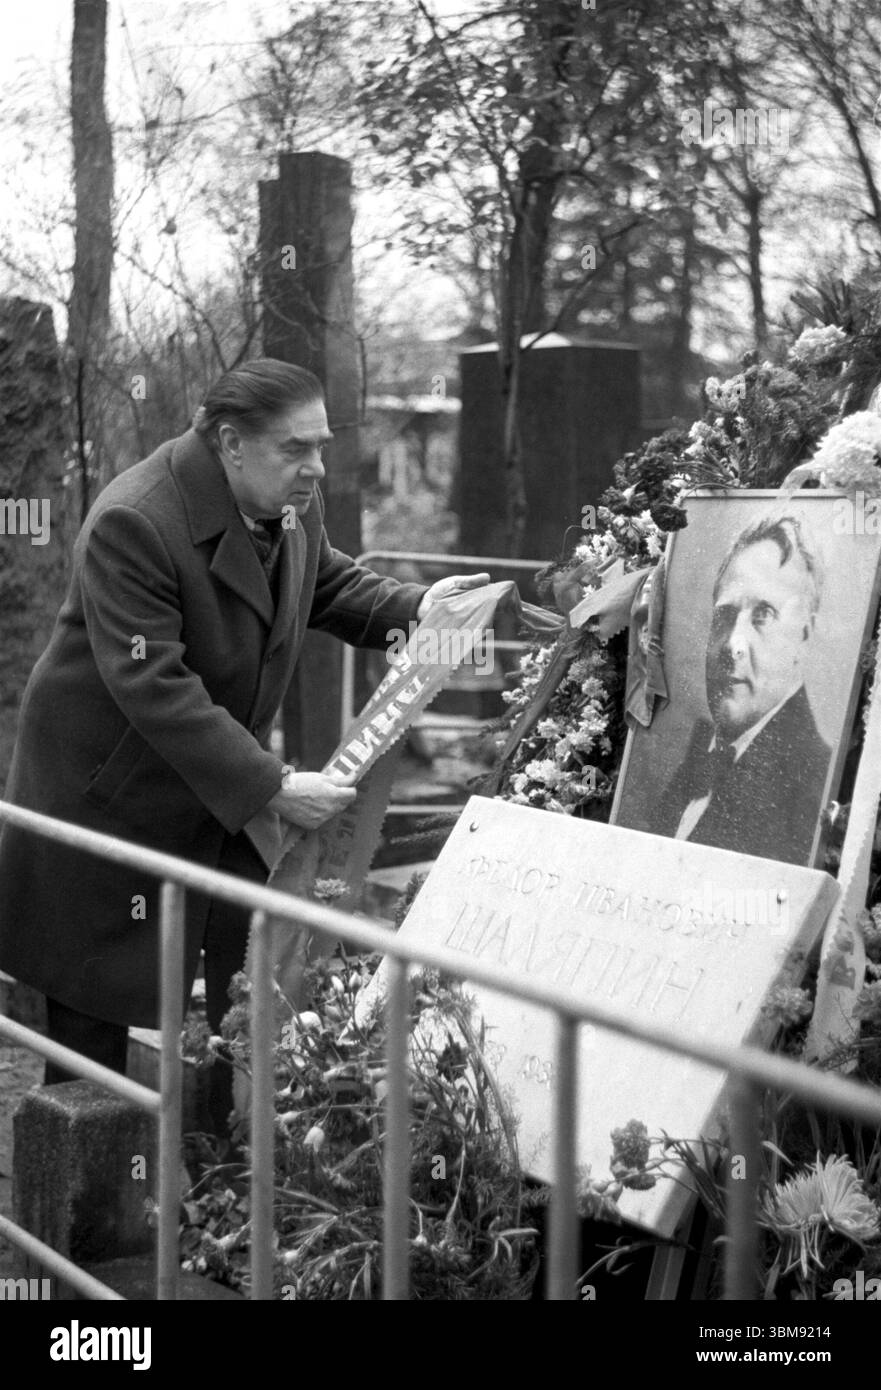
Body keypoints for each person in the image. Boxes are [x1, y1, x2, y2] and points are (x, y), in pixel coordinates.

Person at [0, 358, 487, 1091]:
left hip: (212, 783)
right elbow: (154, 682)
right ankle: (87, 1190)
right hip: (109, 791)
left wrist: (417, 607)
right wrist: (275, 784)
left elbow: (321, 580)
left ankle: (233, 1164)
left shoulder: (282, 501)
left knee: (253, 962)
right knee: (92, 1011)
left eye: (321, 445)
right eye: (296, 449)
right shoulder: (136, 520)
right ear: (230, 443)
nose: (315, 468)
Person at [656, 514, 831, 865]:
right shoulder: (701, 749)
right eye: (725, 615)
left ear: (805, 635)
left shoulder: (815, 784)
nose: (732, 644)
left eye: (763, 615)